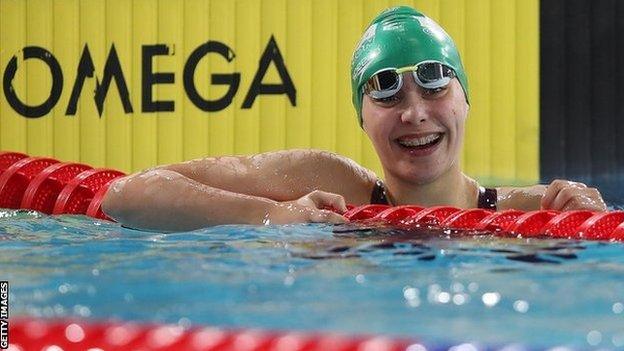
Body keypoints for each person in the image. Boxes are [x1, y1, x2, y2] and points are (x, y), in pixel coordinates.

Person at [102, 6, 606, 232]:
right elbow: (127, 196)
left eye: (434, 85)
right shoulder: (322, 183)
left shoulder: (538, 210)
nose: (414, 112)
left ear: (465, 99)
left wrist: (591, 217)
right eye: (387, 94)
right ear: (361, 118)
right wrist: (270, 216)